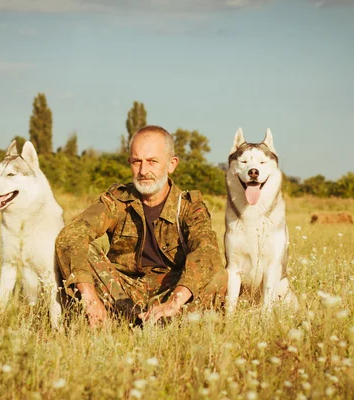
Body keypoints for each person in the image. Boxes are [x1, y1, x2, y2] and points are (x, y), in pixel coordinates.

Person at [55, 125, 227, 328]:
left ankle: (168, 320)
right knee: (78, 247)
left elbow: (205, 251)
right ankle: (120, 316)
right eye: (137, 162)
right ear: (130, 163)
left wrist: (175, 301)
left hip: (171, 289)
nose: (144, 171)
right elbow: (72, 235)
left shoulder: (190, 207)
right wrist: (90, 297)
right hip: (122, 292)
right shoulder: (116, 201)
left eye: (153, 162)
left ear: (171, 164)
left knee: (217, 273)